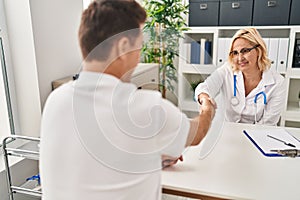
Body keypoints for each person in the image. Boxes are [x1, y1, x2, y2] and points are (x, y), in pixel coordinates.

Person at [39, 1, 215, 200]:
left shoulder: (55, 100)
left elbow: (91, 162)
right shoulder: (146, 108)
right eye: (139, 46)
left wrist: (146, 156)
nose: (139, 56)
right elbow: (198, 132)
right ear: (123, 46)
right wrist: (207, 105)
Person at [195, 28, 286, 126]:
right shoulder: (227, 70)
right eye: (235, 53)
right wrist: (205, 100)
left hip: (258, 134)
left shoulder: (278, 82)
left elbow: (268, 123)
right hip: (228, 131)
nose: (240, 58)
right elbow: (205, 87)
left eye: (245, 51)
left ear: (259, 51)